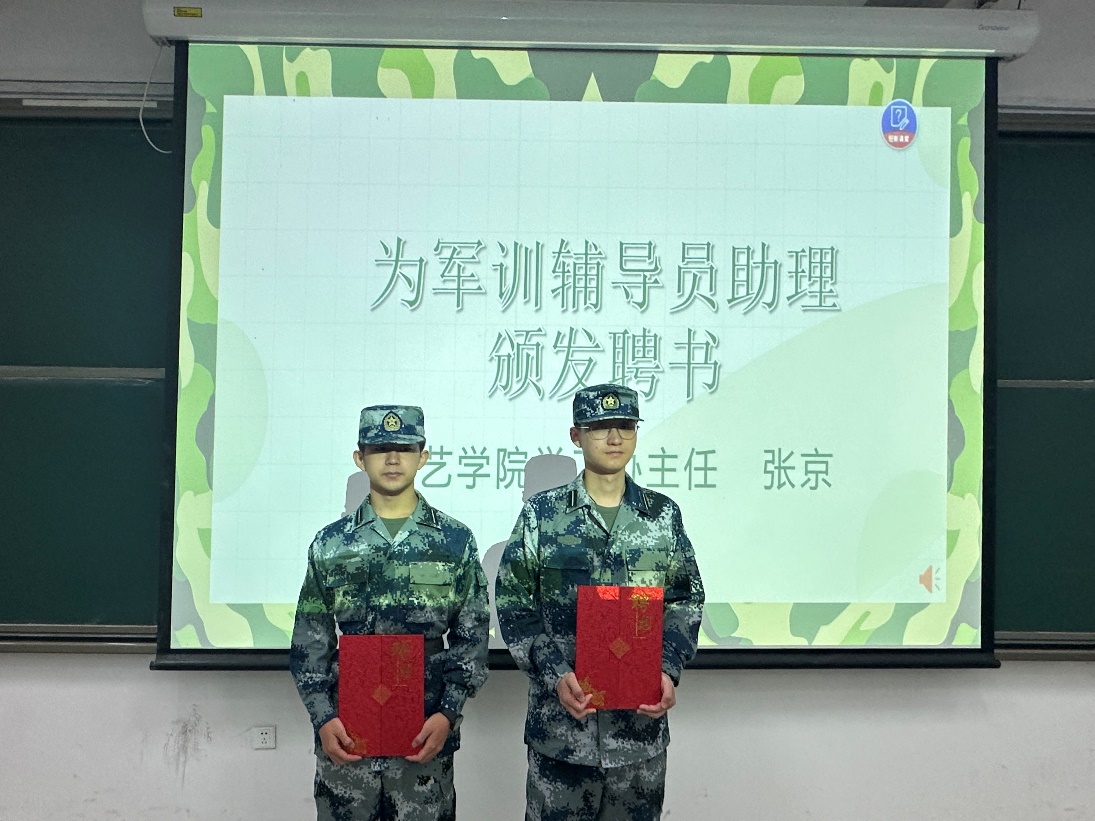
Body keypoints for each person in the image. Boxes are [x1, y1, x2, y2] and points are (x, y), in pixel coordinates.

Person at [495, 384, 705, 821]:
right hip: (561, 735)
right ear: (576, 436)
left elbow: (685, 600)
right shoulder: (542, 515)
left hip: (638, 737)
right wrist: (555, 675)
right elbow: (514, 604)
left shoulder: (662, 515)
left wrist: (667, 669)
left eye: (625, 426)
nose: (614, 438)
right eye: (599, 427)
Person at [290, 405, 490, 821]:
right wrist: (323, 717)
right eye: (380, 449)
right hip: (348, 736)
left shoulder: (454, 541)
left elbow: (472, 636)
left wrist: (448, 712)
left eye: (405, 448)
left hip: (424, 734)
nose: (393, 459)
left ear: (423, 456)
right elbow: (310, 639)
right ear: (360, 458)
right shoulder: (331, 544)